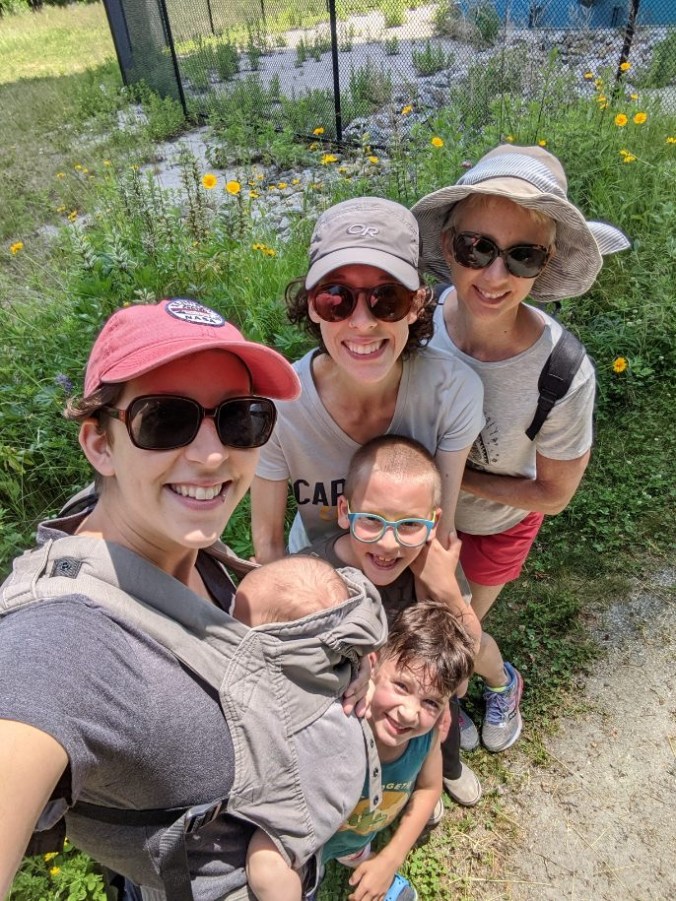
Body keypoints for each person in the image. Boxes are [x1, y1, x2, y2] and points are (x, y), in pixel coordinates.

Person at [0, 298, 386, 901]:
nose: (211, 455)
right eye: (164, 421)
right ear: (99, 445)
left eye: (241, 419)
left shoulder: (164, 528)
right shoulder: (61, 644)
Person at [251, 196, 485, 806]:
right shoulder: (282, 407)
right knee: (349, 692)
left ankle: (442, 759)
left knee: (434, 678)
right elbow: (270, 544)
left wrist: (450, 604)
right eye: (337, 297)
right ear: (310, 305)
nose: (362, 323)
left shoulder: (452, 390)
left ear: (417, 305)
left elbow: (443, 528)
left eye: (386, 298)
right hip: (324, 572)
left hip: (415, 551)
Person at [412, 144, 630, 753]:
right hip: (425, 518)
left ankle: (502, 681)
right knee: (436, 620)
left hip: (503, 523)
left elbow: (555, 495)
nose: (494, 275)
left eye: (522, 255)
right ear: (449, 244)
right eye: (476, 247)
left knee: (465, 624)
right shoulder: (413, 325)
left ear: (546, 263)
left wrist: (456, 474)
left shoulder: (561, 371)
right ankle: (439, 724)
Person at [245, 600, 475, 901]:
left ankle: (360, 858)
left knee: (353, 848)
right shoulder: (338, 720)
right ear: (374, 666)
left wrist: (389, 860)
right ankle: (312, 878)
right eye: (402, 686)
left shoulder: (427, 736)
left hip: (358, 834)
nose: (409, 712)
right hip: (309, 844)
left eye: (431, 702)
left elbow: (429, 789)